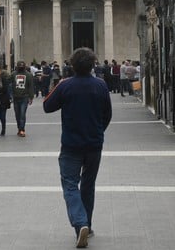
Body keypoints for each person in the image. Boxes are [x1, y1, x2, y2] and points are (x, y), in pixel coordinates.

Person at [43, 48, 112, 249]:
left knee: (70, 185)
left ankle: (80, 223)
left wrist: (59, 85)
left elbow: (47, 106)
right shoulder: (101, 86)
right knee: (88, 186)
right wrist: (98, 131)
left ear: (72, 65)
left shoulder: (66, 86)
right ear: (93, 64)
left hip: (71, 146)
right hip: (94, 145)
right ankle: (86, 226)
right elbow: (107, 115)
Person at [8, 61, 35, 136]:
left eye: (22, 66)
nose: (21, 67)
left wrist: (31, 97)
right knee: (17, 114)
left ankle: (22, 130)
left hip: (24, 97)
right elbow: (8, 82)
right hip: (16, 97)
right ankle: (19, 128)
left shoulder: (28, 75)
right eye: (20, 66)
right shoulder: (13, 74)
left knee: (22, 114)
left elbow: (31, 87)